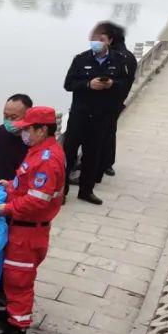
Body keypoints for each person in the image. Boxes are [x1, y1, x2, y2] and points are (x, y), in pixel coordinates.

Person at [0, 106, 66, 334]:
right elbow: (26, 184)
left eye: (28, 130)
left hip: (28, 231)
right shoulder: (39, 151)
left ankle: (17, 330)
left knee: (19, 280)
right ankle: (13, 313)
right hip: (24, 228)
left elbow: (36, 200)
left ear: (43, 130)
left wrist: (7, 208)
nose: (24, 135)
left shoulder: (48, 159)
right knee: (14, 277)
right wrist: (10, 185)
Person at [62, 22, 129, 206]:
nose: (97, 42)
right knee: (68, 154)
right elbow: (68, 84)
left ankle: (86, 191)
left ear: (110, 41)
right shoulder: (80, 59)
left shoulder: (118, 60)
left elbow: (124, 85)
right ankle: (62, 191)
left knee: (93, 156)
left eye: (101, 39)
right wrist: (87, 85)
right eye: (94, 39)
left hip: (101, 117)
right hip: (79, 116)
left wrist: (112, 85)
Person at [96, 21, 137, 177]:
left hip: (106, 102)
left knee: (101, 133)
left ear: (111, 39)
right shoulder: (130, 57)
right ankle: (108, 163)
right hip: (117, 101)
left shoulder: (115, 57)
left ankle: (100, 163)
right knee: (110, 131)